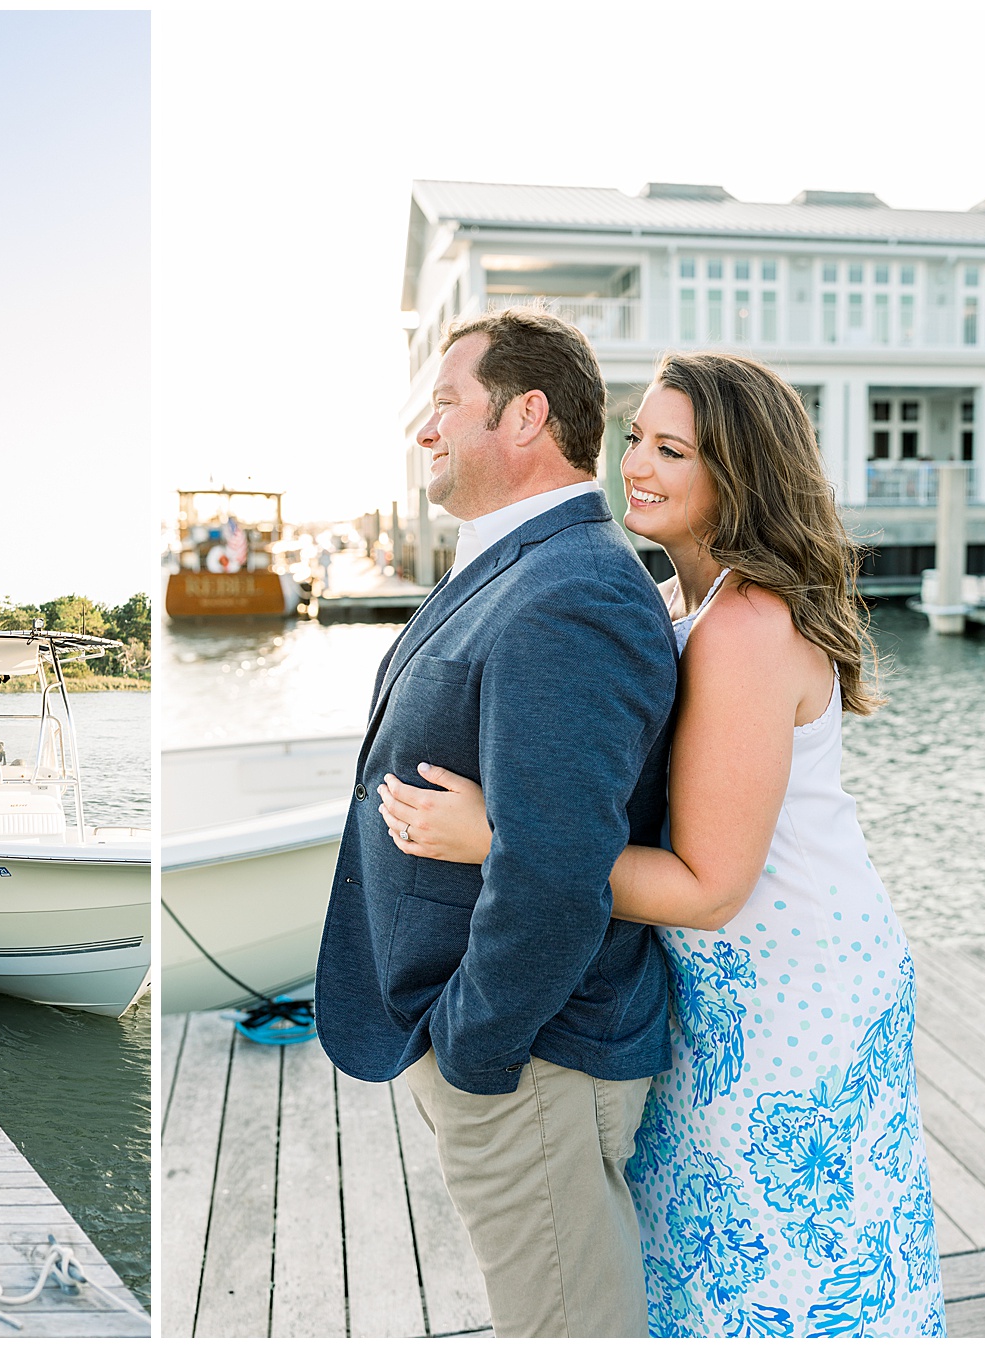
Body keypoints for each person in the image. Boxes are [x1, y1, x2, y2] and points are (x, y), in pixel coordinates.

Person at [377, 351, 946, 1337]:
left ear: (741, 471)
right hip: (735, 977)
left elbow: (709, 885)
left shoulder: (746, 625)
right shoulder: (691, 605)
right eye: (637, 437)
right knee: (721, 1256)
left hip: (789, 981)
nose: (635, 463)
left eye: (672, 448)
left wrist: (497, 837)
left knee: (799, 1273)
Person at [314, 308, 679, 1337]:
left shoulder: (574, 590)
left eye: (444, 406)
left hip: (530, 1058)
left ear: (526, 415)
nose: (422, 430)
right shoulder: (519, 566)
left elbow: (560, 868)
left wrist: (475, 1052)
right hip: (500, 1046)